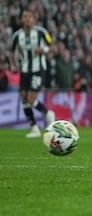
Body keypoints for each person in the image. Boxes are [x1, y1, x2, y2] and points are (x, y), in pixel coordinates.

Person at [8, 9, 55, 138]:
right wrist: (12, 64)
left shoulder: (41, 32)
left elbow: (53, 47)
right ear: (21, 19)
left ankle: (48, 113)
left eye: (30, 16)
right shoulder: (17, 35)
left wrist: (44, 49)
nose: (27, 19)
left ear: (34, 19)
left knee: (30, 98)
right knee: (24, 98)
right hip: (24, 69)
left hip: (38, 69)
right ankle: (34, 128)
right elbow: (11, 51)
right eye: (25, 16)